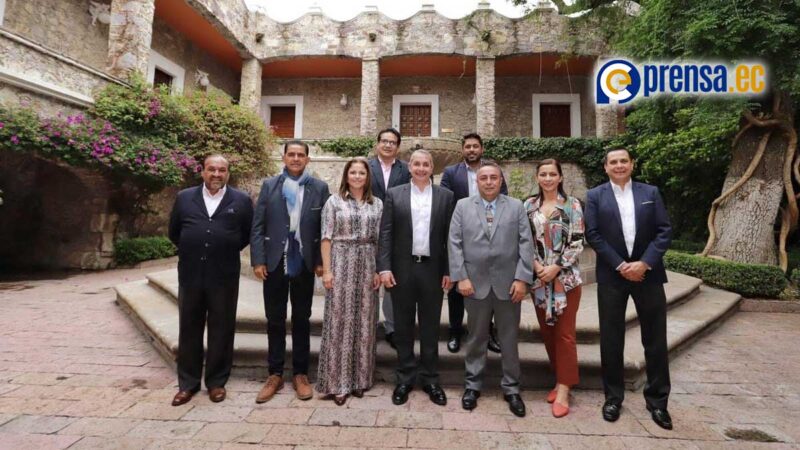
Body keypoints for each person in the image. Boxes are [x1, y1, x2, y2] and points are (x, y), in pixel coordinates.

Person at [584, 148, 673, 430]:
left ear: (632, 164)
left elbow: (664, 231)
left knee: (655, 339)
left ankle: (658, 401)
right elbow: (592, 234)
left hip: (648, 275)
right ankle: (613, 398)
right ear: (606, 167)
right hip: (613, 275)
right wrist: (621, 265)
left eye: (624, 161)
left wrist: (644, 263)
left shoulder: (651, 192)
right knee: (611, 339)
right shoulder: (595, 196)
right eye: (614, 162)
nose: (619, 165)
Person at [448, 162, 534, 418]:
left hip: (509, 285)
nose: (488, 182)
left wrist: (522, 279)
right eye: (483, 178)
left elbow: (526, 243)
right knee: (476, 337)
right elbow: (454, 242)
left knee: (509, 339)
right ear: (477, 182)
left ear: (500, 180)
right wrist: (461, 278)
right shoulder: (462, 206)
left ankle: (512, 388)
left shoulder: (516, 206)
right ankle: (472, 385)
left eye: (493, 177)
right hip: (474, 285)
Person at [168, 154, 253, 406]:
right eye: (212, 169)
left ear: (228, 173)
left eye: (222, 170)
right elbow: (174, 231)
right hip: (191, 273)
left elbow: (246, 234)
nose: (217, 174)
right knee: (189, 327)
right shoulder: (185, 197)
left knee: (222, 328)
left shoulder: (241, 200)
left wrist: (223, 247)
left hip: (224, 275)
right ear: (203, 171)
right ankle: (188, 384)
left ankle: (216, 382)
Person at [250, 140, 331, 403]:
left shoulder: (319, 188)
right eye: (291, 154)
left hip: (304, 263)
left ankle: (300, 374)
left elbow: (324, 228)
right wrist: (258, 260)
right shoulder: (269, 185)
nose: (296, 158)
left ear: (308, 159)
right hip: (275, 261)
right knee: (275, 318)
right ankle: (274, 373)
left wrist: (320, 260)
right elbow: (258, 225)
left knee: (301, 318)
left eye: (301, 155)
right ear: (283, 157)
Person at [378, 150, 455, 406]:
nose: (421, 168)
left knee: (431, 326)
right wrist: (384, 268)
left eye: (426, 164)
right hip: (402, 269)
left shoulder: (446, 196)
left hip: (433, 270)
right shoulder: (394, 194)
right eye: (417, 164)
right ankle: (405, 377)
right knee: (403, 326)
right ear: (409, 167)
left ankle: (431, 378)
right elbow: (386, 233)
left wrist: (449, 270)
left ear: (432, 168)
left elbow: (450, 237)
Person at [315, 157, 383, 406]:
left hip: (367, 265)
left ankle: (360, 380)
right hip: (341, 264)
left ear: (367, 177)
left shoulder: (377, 204)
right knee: (339, 323)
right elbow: (326, 238)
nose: (357, 176)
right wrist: (327, 271)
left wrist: (378, 270)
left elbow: (379, 240)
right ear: (346, 175)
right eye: (353, 172)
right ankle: (337, 384)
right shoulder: (334, 202)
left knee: (364, 323)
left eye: (361, 173)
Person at [523, 158, 584, 418]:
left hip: (566, 280)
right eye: (543, 174)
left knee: (565, 334)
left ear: (560, 177)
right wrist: (537, 266)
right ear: (537, 177)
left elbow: (578, 241)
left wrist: (556, 267)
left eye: (552, 174)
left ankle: (564, 389)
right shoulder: (528, 206)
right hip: (539, 280)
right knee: (548, 333)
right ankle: (559, 379)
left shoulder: (572, 205)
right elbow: (523, 239)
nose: (547, 178)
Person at [440, 133, 508, 354]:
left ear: (482, 149)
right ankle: (455, 332)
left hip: (488, 236)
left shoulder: (493, 171)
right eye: (468, 146)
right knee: (456, 288)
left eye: (475, 146)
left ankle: (488, 333)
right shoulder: (451, 172)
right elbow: (445, 201)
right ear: (462, 150)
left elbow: (503, 199)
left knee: (487, 288)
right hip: (460, 233)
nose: (471, 149)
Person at [368, 128, 410, 349]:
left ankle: (392, 328)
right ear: (377, 143)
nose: (387, 145)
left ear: (398, 147)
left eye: (392, 142)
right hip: (368, 231)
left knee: (393, 280)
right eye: (384, 141)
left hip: (397, 232)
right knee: (369, 280)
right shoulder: (365, 167)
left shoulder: (406, 169)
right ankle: (369, 325)